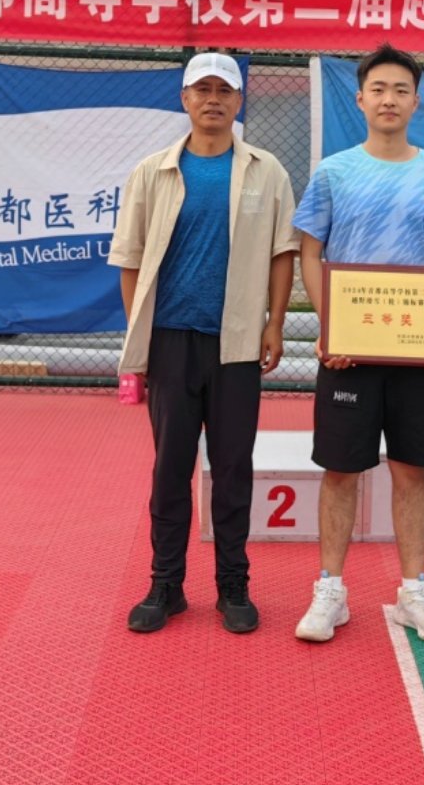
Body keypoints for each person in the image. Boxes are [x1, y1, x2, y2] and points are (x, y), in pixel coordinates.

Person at [109, 52, 299, 635]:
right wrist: (141, 333)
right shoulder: (153, 171)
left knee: (233, 467)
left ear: (239, 101)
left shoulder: (267, 171)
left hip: (236, 344)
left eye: (224, 90)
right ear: (185, 99)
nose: (213, 99)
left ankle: (233, 584)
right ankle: (165, 585)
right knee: (170, 468)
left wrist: (274, 323)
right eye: (202, 89)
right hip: (171, 340)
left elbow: (283, 253)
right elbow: (130, 259)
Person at [292, 44, 424, 645]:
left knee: (411, 469)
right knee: (340, 470)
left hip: (417, 353)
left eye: (400, 90)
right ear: (360, 99)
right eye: (378, 89)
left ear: (416, 102)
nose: (389, 99)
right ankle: (330, 590)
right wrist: (330, 327)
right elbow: (310, 252)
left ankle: (414, 590)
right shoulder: (334, 172)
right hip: (349, 351)